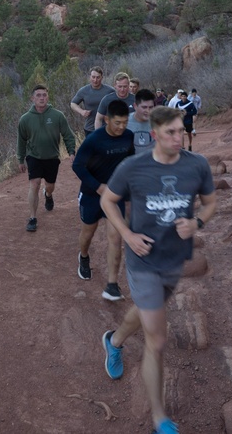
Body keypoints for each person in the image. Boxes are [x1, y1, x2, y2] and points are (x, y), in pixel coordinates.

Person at [100, 106, 217, 434]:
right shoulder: (133, 167)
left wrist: (197, 223)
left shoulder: (198, 165)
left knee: (146, 310)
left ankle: (114, 341)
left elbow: (210, 203)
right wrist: (127, 235)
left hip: (174, 260)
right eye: (170, 133)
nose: (178, 137)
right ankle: (159, 419)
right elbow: (108, 201)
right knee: (158, 339)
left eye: (180, 131)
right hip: (143, 261)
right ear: (154, 135)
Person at [71, 100, 134, 298]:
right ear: (106, 119)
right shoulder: (94, 140)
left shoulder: (128, 137)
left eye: (125, 122)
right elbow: (78, 166)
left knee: (115, 238)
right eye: (117, 123)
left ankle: (112, 284)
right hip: (91, 194)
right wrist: (99, 187)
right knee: (88, 232)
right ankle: (83, 256)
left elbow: (129, 164)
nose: (121, 127)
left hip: (115, 197)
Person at [17, 85, 77, 233]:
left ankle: (48, 195)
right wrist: (20, 159)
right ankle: (32, 218)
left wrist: (71, 152)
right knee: (34, 184)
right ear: (32, 98)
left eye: (44, 95)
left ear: (48, 97)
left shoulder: (58, 116)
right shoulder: (25, 119)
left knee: (49, 186)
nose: (42, 98)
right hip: (34, 156)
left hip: (51, 157)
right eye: (38, 95)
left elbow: (68, 135)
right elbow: (21, 141)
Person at [70, 66, 114, 137]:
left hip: (107, 128)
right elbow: (73, 103)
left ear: (102, 77)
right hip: (90, 128)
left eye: (98, 77)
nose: (95, 80)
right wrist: (81, 111)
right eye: (93, 77)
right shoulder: (84, 91)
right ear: (89, 77)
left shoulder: (110, 91)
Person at [127, 89, 157, 156]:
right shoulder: (125, 122)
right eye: (144, 107)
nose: (148, 111)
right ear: (135, 106)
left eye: (151, 107)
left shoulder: (158, 122)